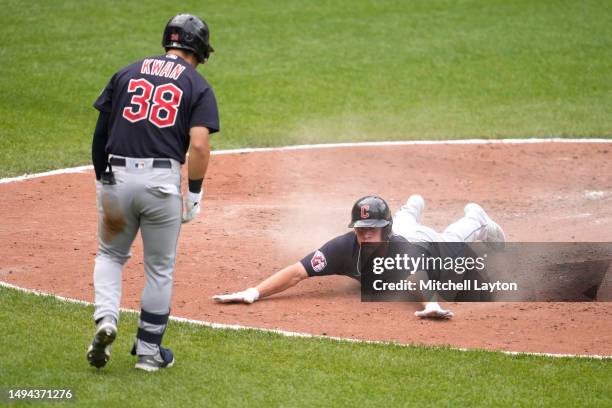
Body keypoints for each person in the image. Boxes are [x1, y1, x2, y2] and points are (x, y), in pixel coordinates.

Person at [86, 14, 219, 372]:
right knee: (159, 269)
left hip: (117, 178)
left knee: (111, 255)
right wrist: (193, 193)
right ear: (201, 51)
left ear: (168, 41)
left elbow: (100, 136)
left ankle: (107, 320)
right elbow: (200, 146)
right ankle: (148, 354)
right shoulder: (197, 84)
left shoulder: (126, 72)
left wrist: (103, 181)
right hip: (161, 185)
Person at [213, 195, 505, 318]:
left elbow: (418, 280)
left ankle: (477, 218)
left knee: (452, 237)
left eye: (372, 229)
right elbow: (298, 272)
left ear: (384, 231)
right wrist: (254, 292)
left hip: (428, 247)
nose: (364, 234)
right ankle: (411, 207)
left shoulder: (402, 252)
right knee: (405, 221)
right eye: (361, 228)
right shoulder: (343, 248)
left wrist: (430, 305)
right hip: (401, 232)